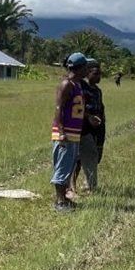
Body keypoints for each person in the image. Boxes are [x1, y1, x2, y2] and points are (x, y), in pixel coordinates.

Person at [50, 53, 87, 211]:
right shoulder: (66, 84)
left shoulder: (77, 85)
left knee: (69, 166)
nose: (87, 70)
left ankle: (64, 197)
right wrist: (62, 132)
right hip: (65, 133)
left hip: (74, 133)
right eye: (86, 67)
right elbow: (59, 109)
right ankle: (60, 201)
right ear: (79, 68)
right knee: (63, 166)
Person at [74, 59, 105, 193]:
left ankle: (89, 184)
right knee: (78, 159)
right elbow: (77, 106)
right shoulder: (81, 88)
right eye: (95, 74)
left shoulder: (97, 91)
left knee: (94, 156)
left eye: (100, 74)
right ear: (87, 73)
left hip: (96, 128)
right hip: (83, 128)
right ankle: (72, 186)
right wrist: (88, 117)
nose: (98, 77)